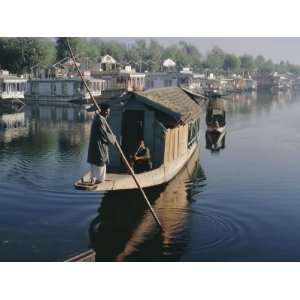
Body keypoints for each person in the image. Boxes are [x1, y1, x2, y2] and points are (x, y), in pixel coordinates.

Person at [86, 103, 116, 185]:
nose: (108, 113)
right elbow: (104, 135)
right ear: (104, 111)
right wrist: (113, 139)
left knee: (95, 162)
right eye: (107, 112)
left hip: (95, 145)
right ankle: (99, 180)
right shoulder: (99, 121)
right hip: (98, 146)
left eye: (109, 112)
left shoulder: (98, 118)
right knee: (99, 161)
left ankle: (93, 178)